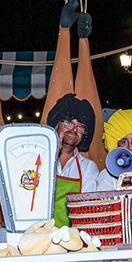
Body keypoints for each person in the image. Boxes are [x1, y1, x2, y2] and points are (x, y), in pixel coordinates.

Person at [44, 93, 99, 225]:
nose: (73, 130)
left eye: (80, 126)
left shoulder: (88, 167)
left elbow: (88, 209)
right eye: (68, 123)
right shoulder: (38, 161)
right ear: (56, 124)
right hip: (38, 238)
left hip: (72, 239)